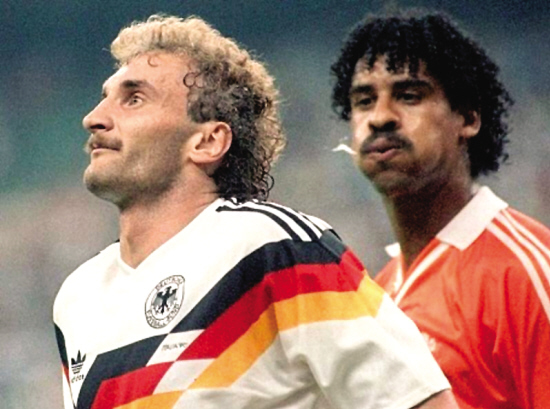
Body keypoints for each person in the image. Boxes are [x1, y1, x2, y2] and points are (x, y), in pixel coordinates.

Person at [53, 14, 458, 409]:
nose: (94, 119)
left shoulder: (274, 249)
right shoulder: (77, 297)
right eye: (105, 98)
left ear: (207, 142)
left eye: (134, 99)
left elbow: (420, 402)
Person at [331, 9, 550, 409]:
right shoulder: (380, 290)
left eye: (409, 96)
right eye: (364, 101)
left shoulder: (525, 275)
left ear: (467, 118)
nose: (380, 117)